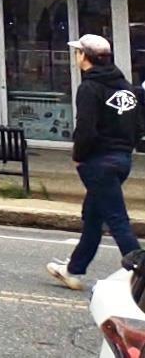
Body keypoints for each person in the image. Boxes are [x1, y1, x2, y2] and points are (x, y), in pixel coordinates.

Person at [47, 33, 142, 290]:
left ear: (85, 57)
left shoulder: (89, 88)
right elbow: (138, 124)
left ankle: (141, 271)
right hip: (122, 160)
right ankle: (73, 269)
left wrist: (79, 156)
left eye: (78, 52)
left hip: (98, 162)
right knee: (93, 217)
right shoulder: (126, 88)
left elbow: (85, 129)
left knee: (117, 219)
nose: (77, 57)